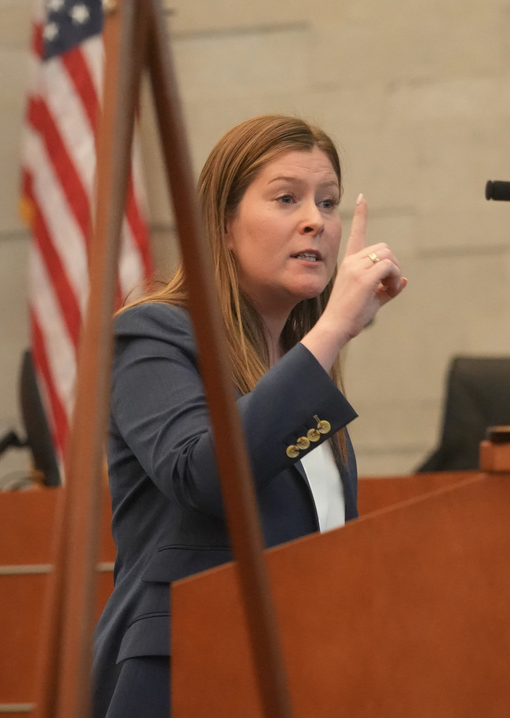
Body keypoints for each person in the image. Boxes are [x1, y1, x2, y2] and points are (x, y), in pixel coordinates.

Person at [90, 115, 407, 718]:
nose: (316, 219)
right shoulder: (151, 333)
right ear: (225, 225)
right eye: (287, 198)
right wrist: (334, 328)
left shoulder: (301, 370)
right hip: (190, 671)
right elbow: (207, 476)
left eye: (329, 201)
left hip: (302, 670)